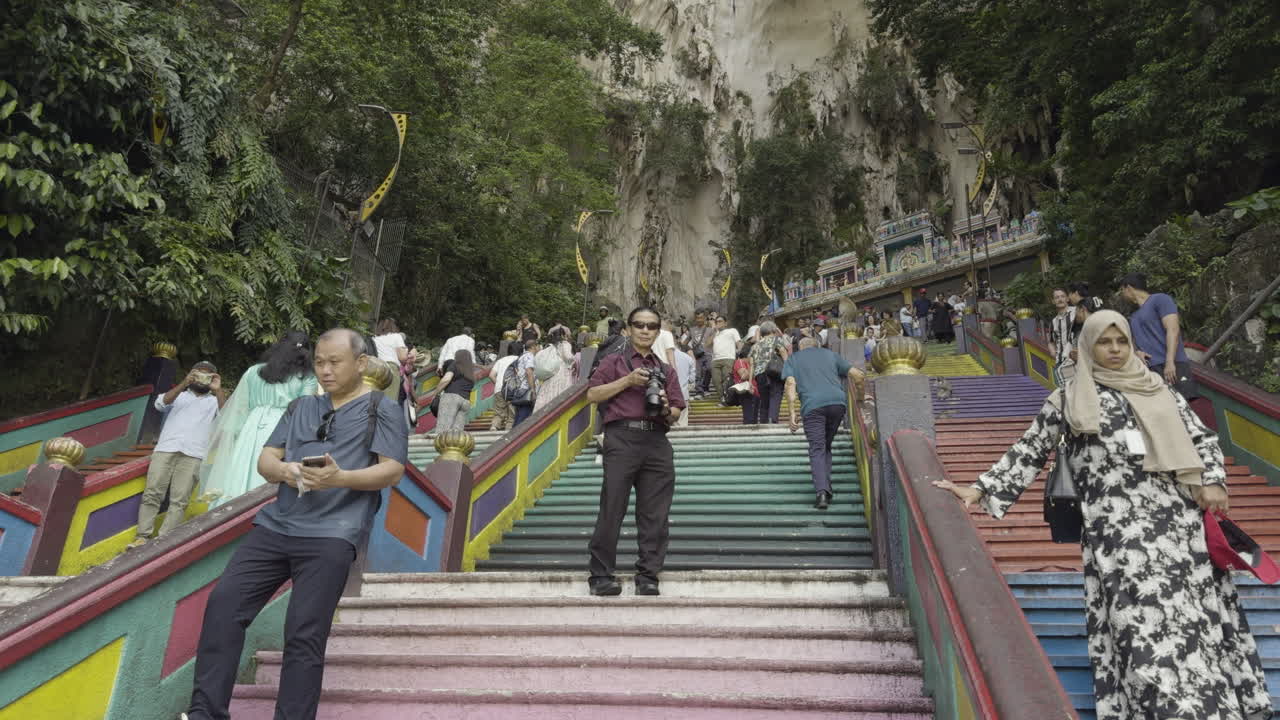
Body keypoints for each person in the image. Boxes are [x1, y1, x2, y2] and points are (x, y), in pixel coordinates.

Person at [933, 311, 1270, 720]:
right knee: (1139, 625)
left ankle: (1215, 708)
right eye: (1104, 342)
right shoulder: (1069, 399)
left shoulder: (1161, 392)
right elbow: (1029, 449)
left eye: (1121, 342)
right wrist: (980, 489)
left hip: (1179, 525)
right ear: (1087, 348)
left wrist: (1214, 480)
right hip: (1117, 531)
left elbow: (1202, 439)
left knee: (1196, 622)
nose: (1113, 350)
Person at [180, 329, 408, 720]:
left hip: (334, 533)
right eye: (320, 362)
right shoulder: (300, 406)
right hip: (275, 526)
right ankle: (205, 713)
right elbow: (266, 460)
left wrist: (340, 478)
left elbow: (392, 471)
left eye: (335, 362)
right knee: (223, 607)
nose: (325, 370)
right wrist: (287, 470)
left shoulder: (380, 409)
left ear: (362, 363)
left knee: (304, 633)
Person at [585, 307, 686, 597]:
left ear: (658, 332)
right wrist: (628, 381)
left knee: (655, 513)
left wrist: (667, 408)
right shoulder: (612, 362)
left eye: (651, 326)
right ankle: (601, 575)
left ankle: (648, 575)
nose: (645, 330)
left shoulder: (665, 370)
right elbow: (592, 394)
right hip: (621, 437)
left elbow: (677, 410)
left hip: (656, 440)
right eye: (639, 325)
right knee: (612, 507)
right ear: (628, 329)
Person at [199, 333, 318, 508]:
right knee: (273, 471)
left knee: (241, 470)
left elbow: (240, 409)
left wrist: (236, 437)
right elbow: (304, 411)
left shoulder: (253, 372)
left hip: (251, 427)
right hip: (284, 426)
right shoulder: (306, 377)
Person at [131, 361, 225, 547]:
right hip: (166, 449)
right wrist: (184, 382)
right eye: (199, 373)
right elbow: (160, 403)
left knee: (179, 501)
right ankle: (142, 536)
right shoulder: (179, 396)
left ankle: (164, 542)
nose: (202, 378)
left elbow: (229, 416)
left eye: (208, 375)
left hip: (194, 454)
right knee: (152, 493)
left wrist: (218, 390)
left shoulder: (215, 401)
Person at [784, 338, 864, 509]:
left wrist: (792, 414)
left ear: (800, 347)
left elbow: (790, 384)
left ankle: (821, 493)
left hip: (812, 406)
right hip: (837, 404)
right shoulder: (831, 355)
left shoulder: (793, 359)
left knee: (817, 447)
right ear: (817, 346)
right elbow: (858, 375)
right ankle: (826, 486)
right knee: (825, 445)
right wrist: (860, 398)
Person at [1120, 272, 1198, 398]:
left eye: (1122, 290)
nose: (1122, 295)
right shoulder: (1134, 316)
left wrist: (1170, 362)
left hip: (1172, 364)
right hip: (1150, 370)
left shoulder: (1160, 299)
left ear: (1129, 288)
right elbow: (1134, 342)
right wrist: (1137, 352)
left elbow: (1173, 329)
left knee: (1183, 407)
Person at [749, 321, 789, 424]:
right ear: (773, 330)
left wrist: (750, 382)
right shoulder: (777, 339)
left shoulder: (755, 346)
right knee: (775, 396)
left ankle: (763, 422)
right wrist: (789, 370)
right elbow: (783, 352)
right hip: (774, 372)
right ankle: (773, 420)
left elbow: (752, 364)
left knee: (764, 400)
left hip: (759, 375)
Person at [533, 328, 576, 413]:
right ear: (563, 335)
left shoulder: (549, 346)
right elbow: (568, 357)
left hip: (550, 375)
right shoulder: (564, 344)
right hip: (561, 373)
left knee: (547, 394)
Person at [435, 349, 477, 434]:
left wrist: (436, 392)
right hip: (466, 401)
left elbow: (446, 379)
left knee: (443, 429)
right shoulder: (470, 371)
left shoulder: (455, 364)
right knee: (456, 433)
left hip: (451, 397)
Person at [1048, 287, 1076, 386]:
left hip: (1076, 359)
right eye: (1057, 297)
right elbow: (1051, 341)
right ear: (1053, 301)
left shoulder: (1076, 312)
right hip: (1060, 361)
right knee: (1063, 392)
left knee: (1078, 390)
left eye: (1062, 296)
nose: (1060, 299)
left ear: (1067, 299)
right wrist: (1052, 351)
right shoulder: (1053, 321)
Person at [710, 316, 742, 402]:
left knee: (727, 379)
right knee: (715, 380)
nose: (718, 323)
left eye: (720, 321)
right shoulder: (715, 334)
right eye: (716, 322)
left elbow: (739, 343)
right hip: (715, 360)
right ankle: (723, 398)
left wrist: (740, 354)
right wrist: (713, 331)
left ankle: (727, 399)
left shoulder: (732, 331)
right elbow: (707, 344)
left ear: (725, 323)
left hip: (728, 358)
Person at [488, 348, 519, 431]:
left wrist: (499, 385)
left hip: (499, 389)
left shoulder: (500, 360)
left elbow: (491, 375)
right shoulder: (519, 359)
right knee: (512, 414)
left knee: (499, 412)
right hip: (513, 390)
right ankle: (508, 429)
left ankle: (494, 426)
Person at [512, 339, 540, 427]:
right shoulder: (529, 356)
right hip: (526, 390)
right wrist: (533, 390)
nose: (539, 348)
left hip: (520, 389)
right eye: (538, 346)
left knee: (519, 417)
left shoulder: (521, 357)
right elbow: (529, 372)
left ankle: (513, 437)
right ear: (533, 347)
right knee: (524, 418)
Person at [689, 311, 715, 397]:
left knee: (709, 369)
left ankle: (706, 388)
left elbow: (713, 342)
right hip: (698, 355)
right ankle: (699, 392)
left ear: (704, 318)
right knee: (698, 373)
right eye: (697, 318)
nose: (699, 320)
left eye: (701, 318)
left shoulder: (710, 330)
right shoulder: (692, 330)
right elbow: (684, 342)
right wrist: (690, 349)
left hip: (708, 353)